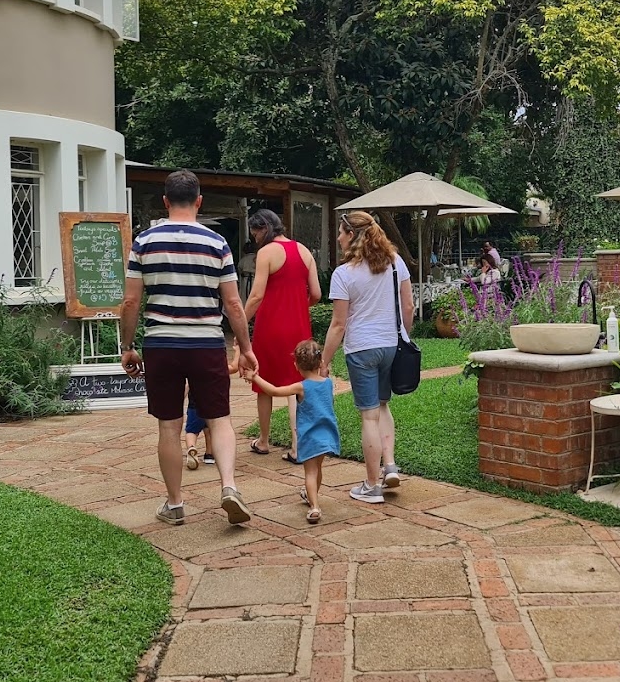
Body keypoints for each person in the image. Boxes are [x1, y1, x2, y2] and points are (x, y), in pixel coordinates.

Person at [121, 169, 258, 526]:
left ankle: (175, 503)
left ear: (165, 201)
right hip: (206, 343)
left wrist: (127, 346)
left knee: (169, 426)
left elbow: (131, 302)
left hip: (161, 344)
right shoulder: (217, 243)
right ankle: (229, 486)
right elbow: (233, 304)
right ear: (199, 201)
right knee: (220, 419)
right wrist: (246, 347)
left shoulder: (144, 242)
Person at [321, 211, 414, 504]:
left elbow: (338, 324)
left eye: (341, 232)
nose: (338, 237)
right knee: (383, 406)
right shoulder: (395, 263)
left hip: (361, 348)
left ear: (352, 235)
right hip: (391, 345)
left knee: (369, 416)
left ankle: (372, 486)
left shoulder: (343, 274)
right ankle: (390, 466)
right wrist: (404, 337)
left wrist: (325, 360)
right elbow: (408, 306)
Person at [244, 209, 321, 462]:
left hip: (270, 326)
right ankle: (298, 446)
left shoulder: (266, 253)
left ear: (263, 228)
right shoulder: (304, 251)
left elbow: (256, 296)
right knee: (296, 384)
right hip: (299, 327)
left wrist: (240, 321)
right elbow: (317, 294)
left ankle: (263, 440)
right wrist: (297, 305)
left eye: (255, 233)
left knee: (263, 382)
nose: (254, 238)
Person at [248, 340, 340, 524]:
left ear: (296, 365)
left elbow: (274, 391)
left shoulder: (301, 387)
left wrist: (255, 378)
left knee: (310, 472)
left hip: (310, 437)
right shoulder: (328, 383)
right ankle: (311, 496)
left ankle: (315, 506)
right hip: (327, 434)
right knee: (318, 469)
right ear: (321, 362)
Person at [185, 344, 240, 469]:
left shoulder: (192, 368)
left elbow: (187, 386)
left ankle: (191, 447)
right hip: (212, 405)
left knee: (191, 431)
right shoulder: (217, 368)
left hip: (194, 406)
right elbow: (234, 367)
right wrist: (238, 351)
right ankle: (209, 454)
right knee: (210, 430)